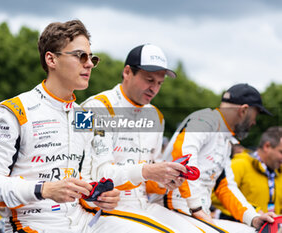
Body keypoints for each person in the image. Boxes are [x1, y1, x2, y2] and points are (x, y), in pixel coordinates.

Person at [0, 20, 162, 233]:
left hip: (83, 223)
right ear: (51, 59)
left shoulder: (84, 116)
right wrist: (44, 189)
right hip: (33, 224)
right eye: (81, 56)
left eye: (92, 58)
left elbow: (88, 179)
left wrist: (98, 196)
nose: (89, 64)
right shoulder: (13, 111)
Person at [81, 44, 202, 232]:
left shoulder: (156, 116)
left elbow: (149, 180)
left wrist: (165, 181)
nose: (154, 88)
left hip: (142, 206)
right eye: (149, 80)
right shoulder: (96, 107)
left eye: (159, 83)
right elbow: (98, 175)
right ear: (127, 72)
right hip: (103, 208)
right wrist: (148, 171)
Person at [155, 83, 277, 232]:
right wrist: (196, 207)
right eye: (255, 114)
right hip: (170, 212)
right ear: (244, 110)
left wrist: (253, 217)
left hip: (193, 215)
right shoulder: (204, 120)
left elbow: (225, 187)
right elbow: (183, 156)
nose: (254, 122)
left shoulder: (225, 139)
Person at [216, 126, 282, 220]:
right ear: (267, 146)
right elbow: (216, 196)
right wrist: (253, 212)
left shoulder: (279, 172)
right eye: (281, 152)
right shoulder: (239, 164)